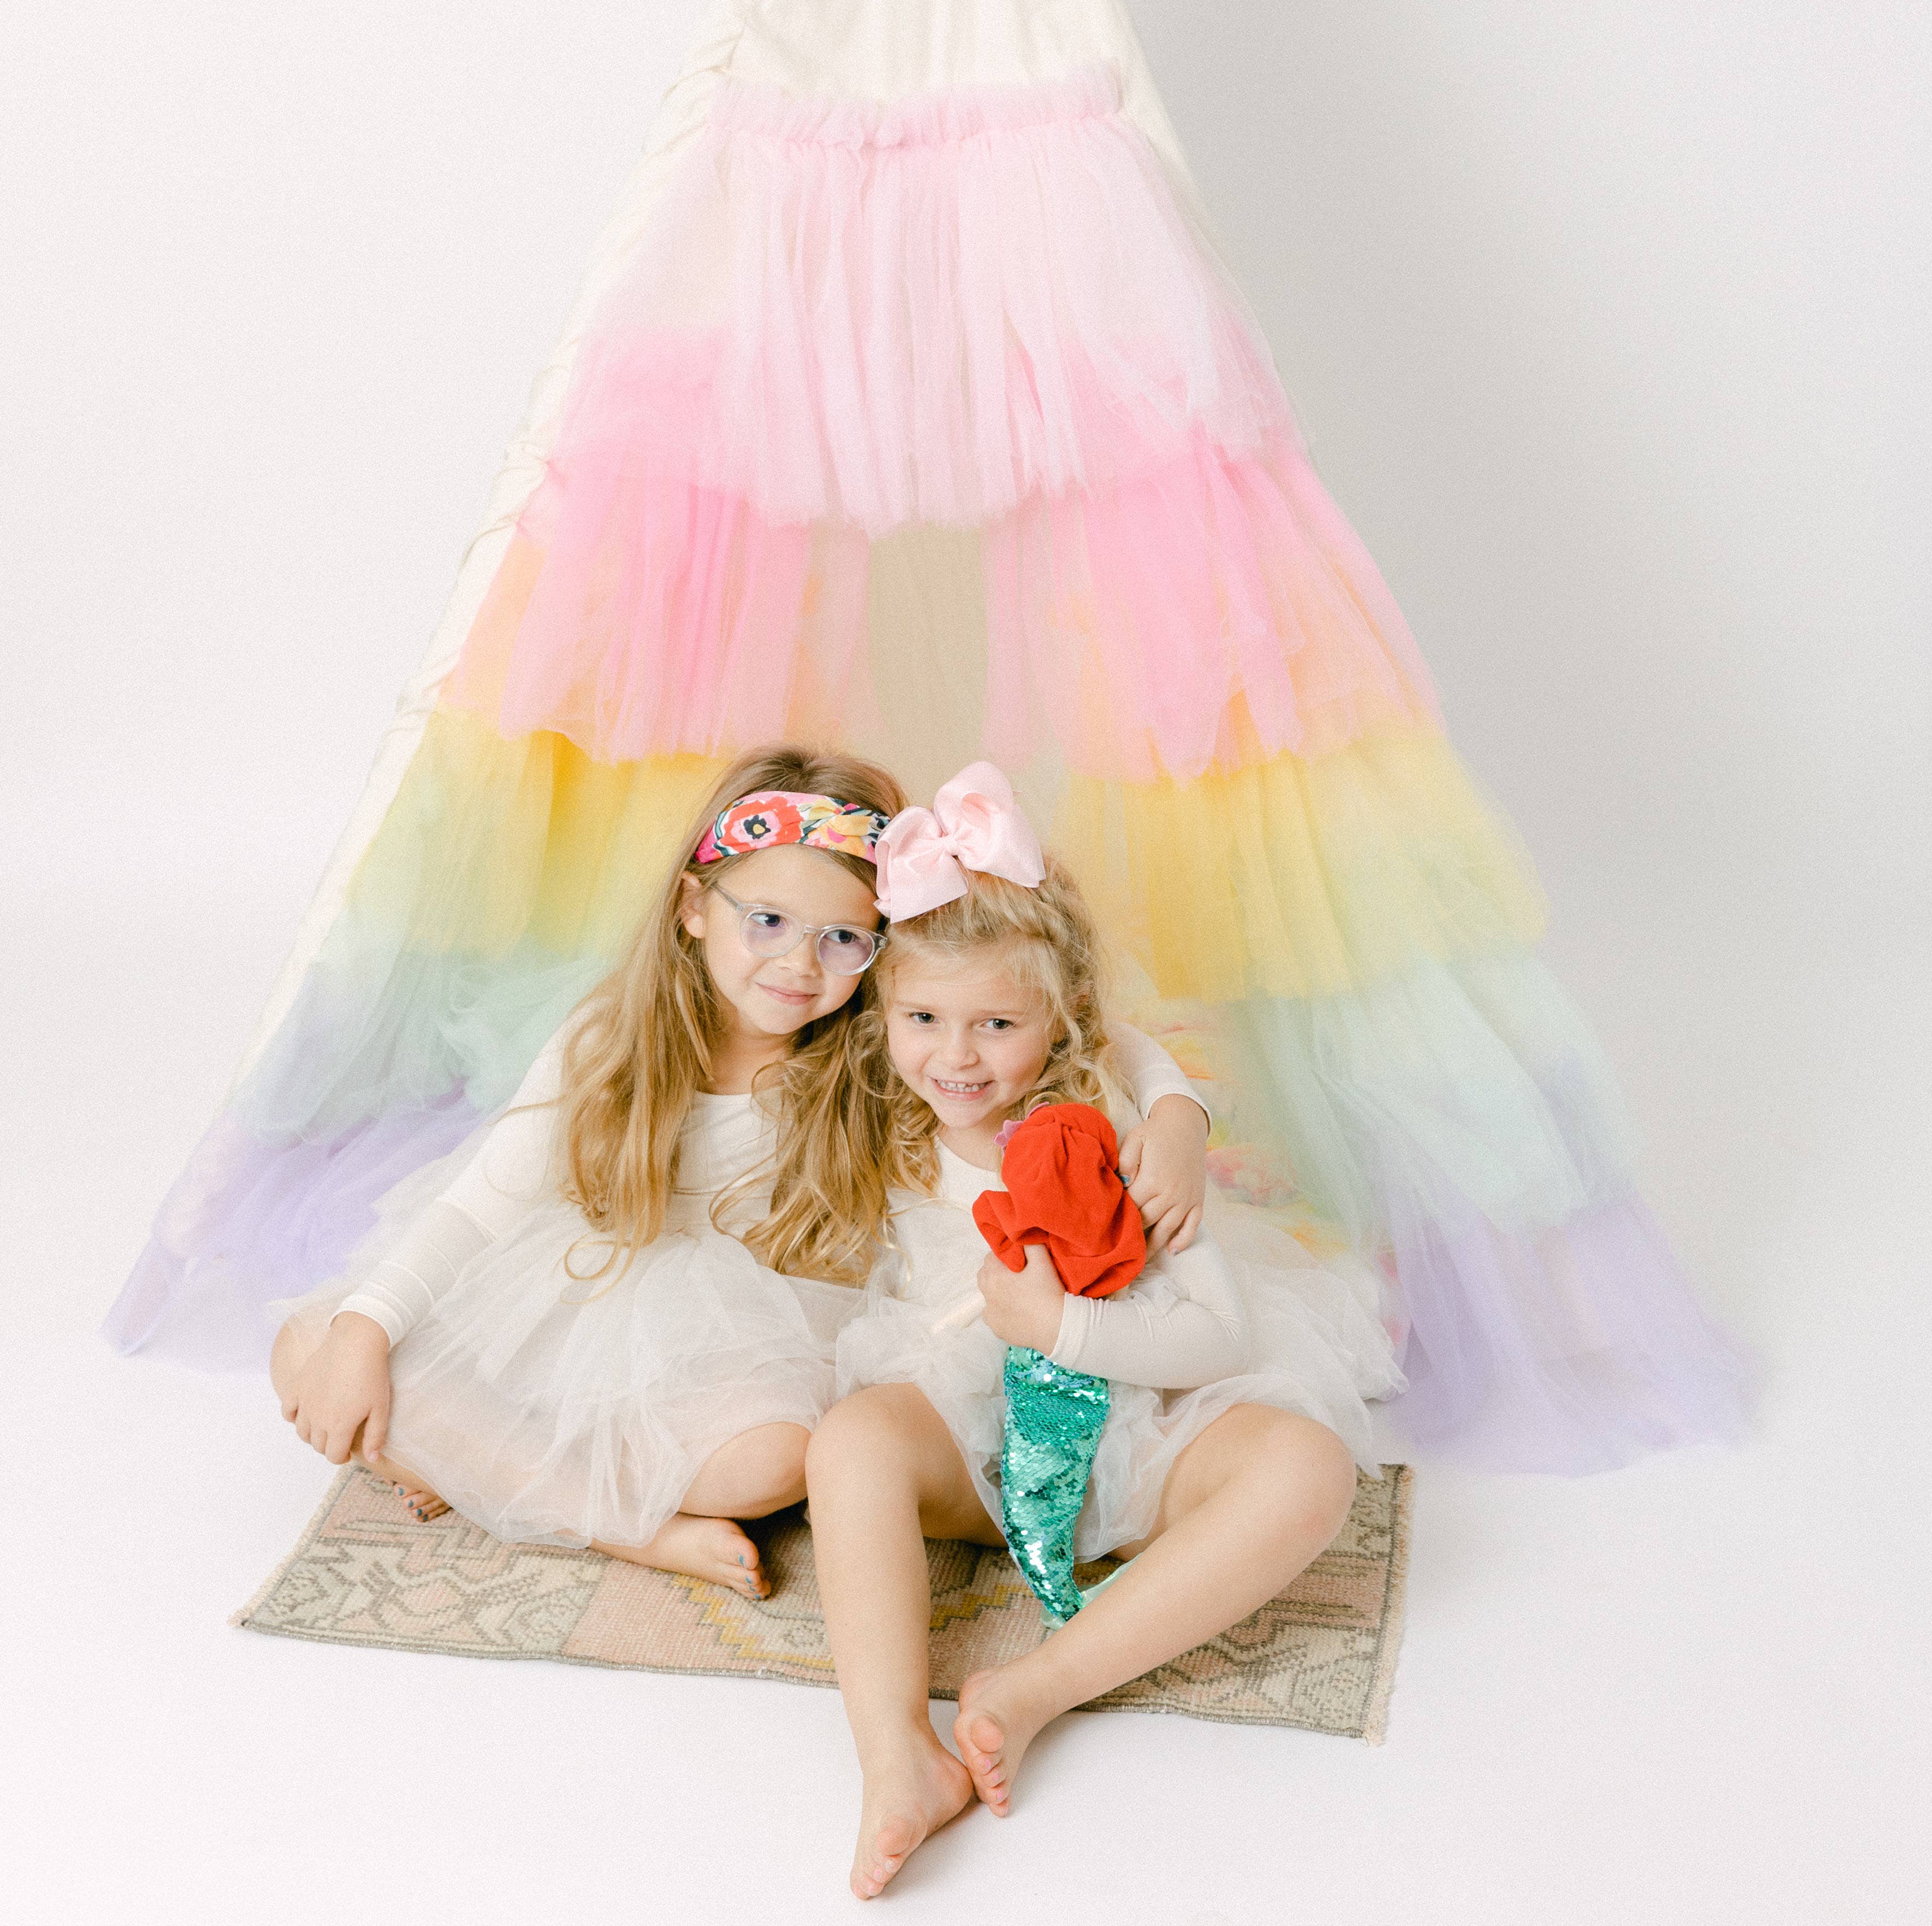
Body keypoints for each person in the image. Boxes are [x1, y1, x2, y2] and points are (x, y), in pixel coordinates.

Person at [805, 764, 1404, 1899]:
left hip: (1146, 1420)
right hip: (973, 1441)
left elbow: (1218, 1338)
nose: (955, 1057)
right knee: (847, 1441)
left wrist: (1065, 1321)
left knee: (1307, 1470)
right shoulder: (880, 1108)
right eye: (922, 1019)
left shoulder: (1116, 1131)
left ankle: (1037, 1686)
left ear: (1062, 1016)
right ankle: (895, 1754)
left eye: (996, 1024)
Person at [270, 746, 908, 1596]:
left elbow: (1037, 1045)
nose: (799, 964)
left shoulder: (872, 1061)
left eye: (843, 939)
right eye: (767, 921)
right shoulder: (609, 1037)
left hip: (734, 1338)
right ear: (693, 907)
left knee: (775, 1462)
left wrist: (1143, 1103)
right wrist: (364, 1330)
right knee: (309, 1347)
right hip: (576, 1291)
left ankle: (479, 1463)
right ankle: (636, 1531)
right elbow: (482, 1205)